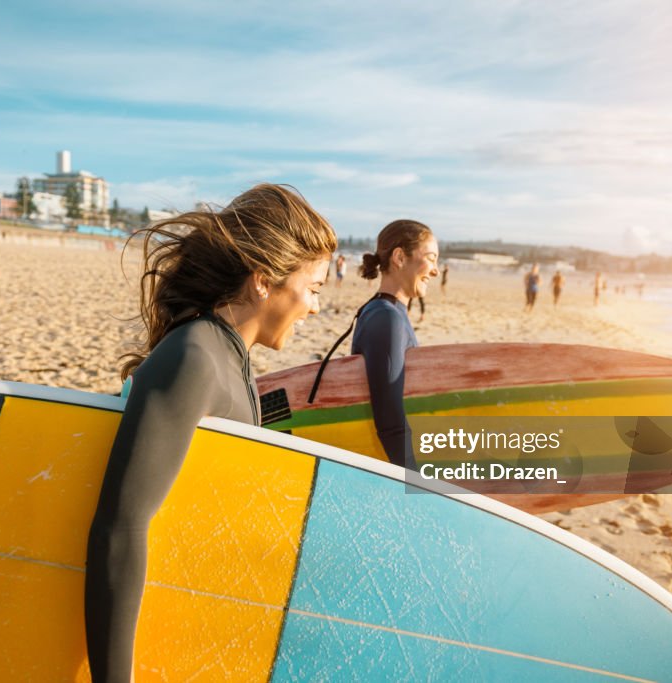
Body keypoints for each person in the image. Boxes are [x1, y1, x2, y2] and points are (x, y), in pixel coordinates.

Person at [84, 184, 336, 683]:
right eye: (314, 288)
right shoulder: (194, 357)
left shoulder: (232, 361)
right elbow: (120, 527)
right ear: (264, 281)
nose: (313, 306)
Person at [352, 219, 437, 471]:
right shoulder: (386, 317)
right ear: (400, 257)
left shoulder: (386, 312)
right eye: (431, 258)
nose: (436, 270)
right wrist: (416, 482)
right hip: (390, 467)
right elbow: (391, 422)